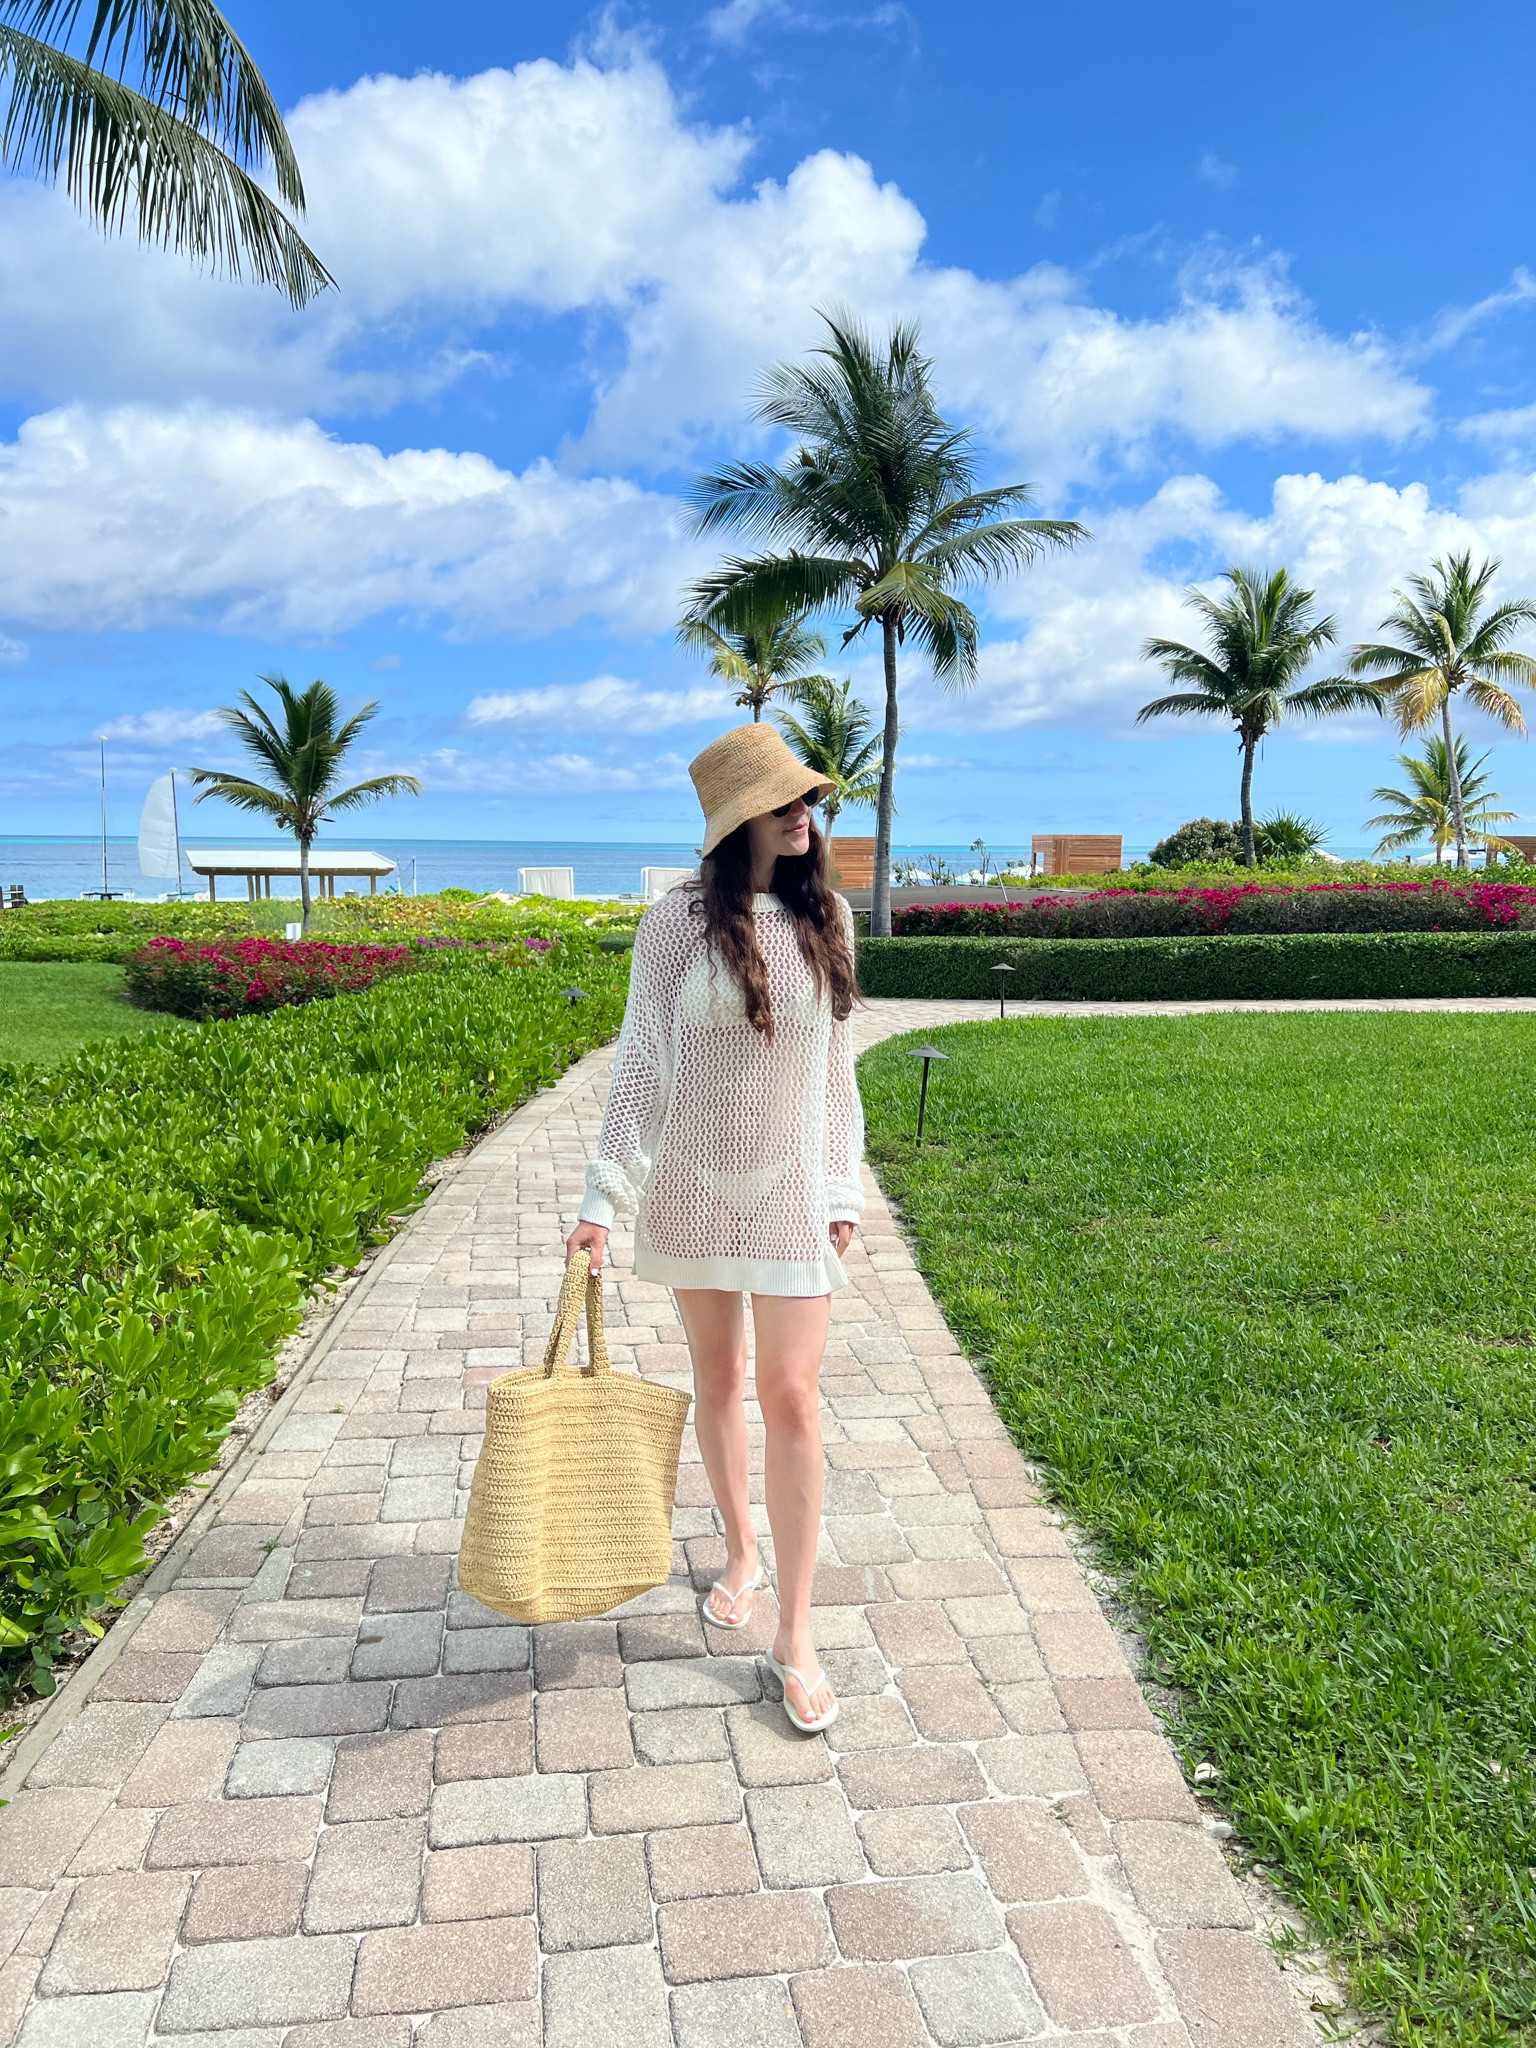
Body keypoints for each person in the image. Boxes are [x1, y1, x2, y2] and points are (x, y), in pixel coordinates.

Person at [566, 723, 864, 1733]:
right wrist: (601, 1200)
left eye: (809, 801)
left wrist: (840, 1191)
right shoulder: (674, 924)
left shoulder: (828, 917)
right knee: (721, 1383)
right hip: (692, 1184)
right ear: (736, 816)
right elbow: (642, 1065)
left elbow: (834, 1070)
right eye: (785, 803)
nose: (804, 817)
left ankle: (795, 1630)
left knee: (792, 1394)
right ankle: (739, 1545)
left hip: (788, 1191)